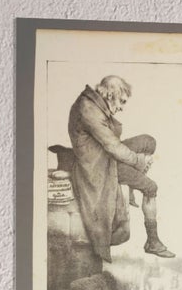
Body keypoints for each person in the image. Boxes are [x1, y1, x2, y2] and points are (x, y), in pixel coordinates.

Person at [66, 76, 175, 260]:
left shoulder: (93, 102)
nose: (122, 107)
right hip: (100, 166)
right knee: (151, 187)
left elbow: (111, 145)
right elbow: (113, 147)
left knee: (149, 142)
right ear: (110, 95)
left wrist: (136, 161)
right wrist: (138, 161)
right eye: (121, 101)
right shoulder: (89, 110)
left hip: (105, 156)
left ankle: (131, 184)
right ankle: (153, 241)